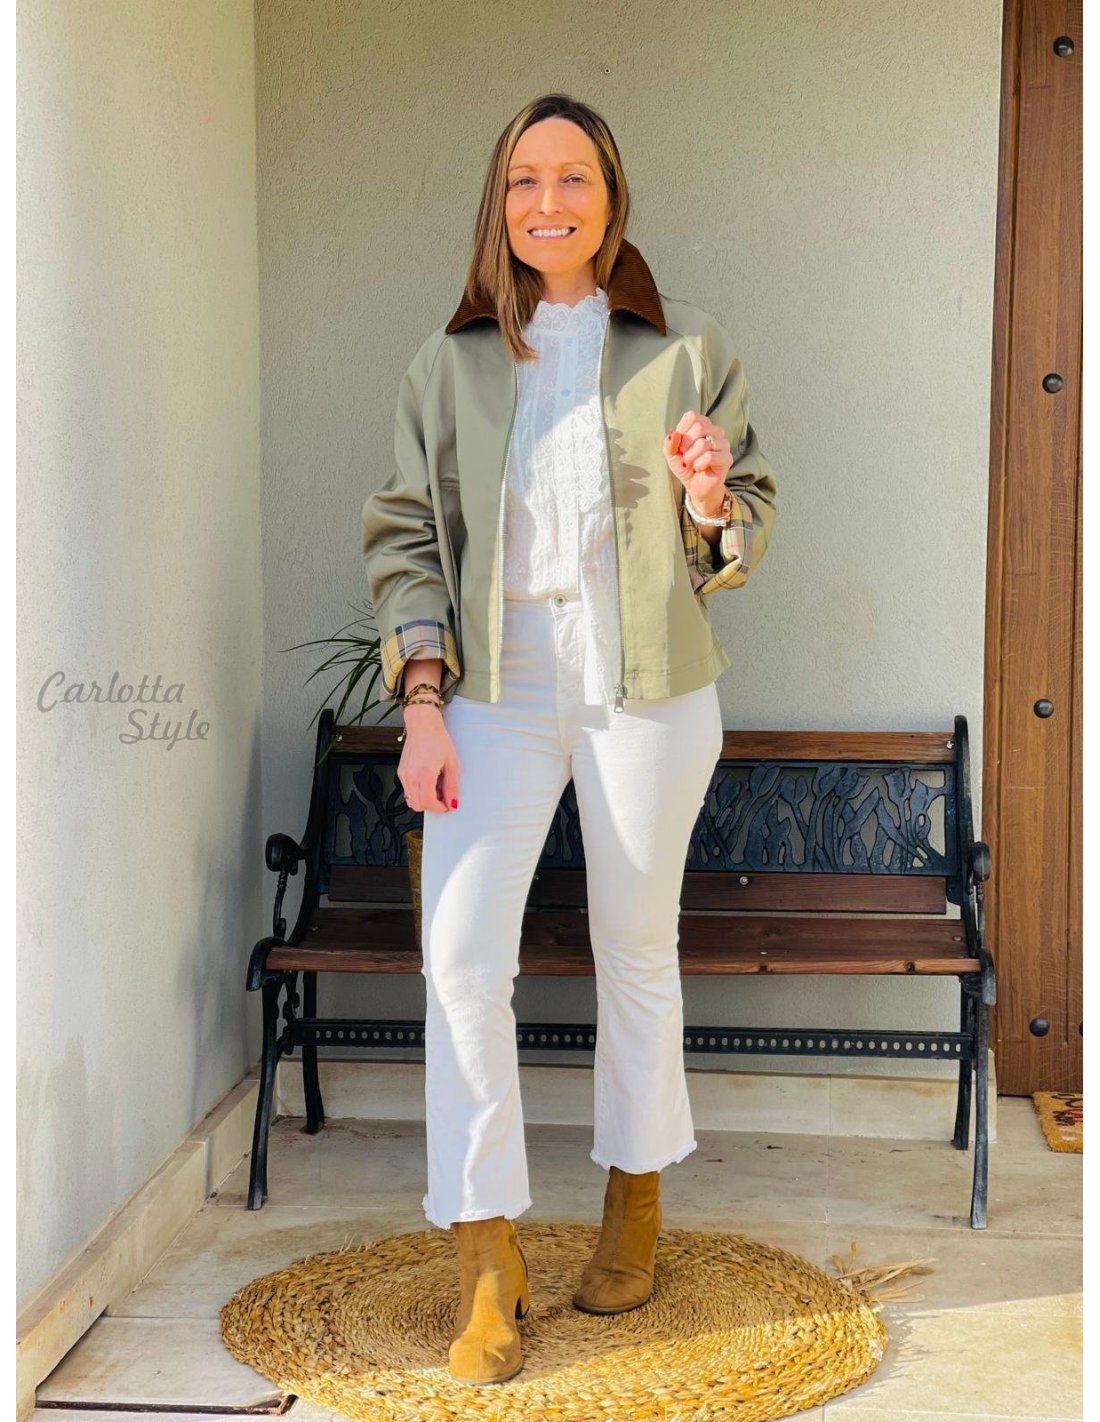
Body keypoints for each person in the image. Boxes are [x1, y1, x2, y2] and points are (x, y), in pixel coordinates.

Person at [361, 92, 778, 1385]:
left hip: (648, 684)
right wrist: (422, 698)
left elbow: (745, 521)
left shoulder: (685, 346)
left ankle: (633, 1203)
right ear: (500, 204)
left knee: (634, 948)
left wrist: (709, 498)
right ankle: (487, 1260)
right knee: (461, 957)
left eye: (574, 177)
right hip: (495, 686)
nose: (549, 201)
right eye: (525, 180)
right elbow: (406, 537)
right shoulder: (450, 364)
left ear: (611, 196)